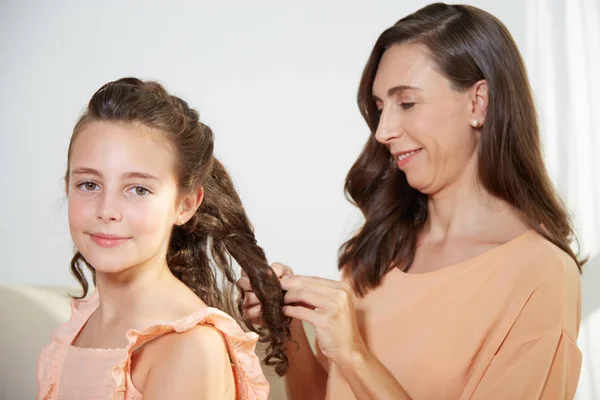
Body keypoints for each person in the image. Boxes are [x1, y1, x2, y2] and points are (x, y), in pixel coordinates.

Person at [240, 3, 584, 399]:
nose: (384, 130)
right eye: (381, 107)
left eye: (406, 103)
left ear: (478, 103)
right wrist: (290, 328)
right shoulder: (377, 249)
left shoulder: (540, 275)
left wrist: (354, 355)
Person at [37, 77, 289, 399]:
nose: (107, 210)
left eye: (138, 189)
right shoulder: (84, 320)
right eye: (89, 184)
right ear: (67, 186)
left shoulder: (190, 348)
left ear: (185, 205)